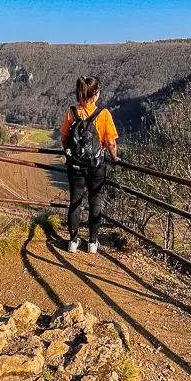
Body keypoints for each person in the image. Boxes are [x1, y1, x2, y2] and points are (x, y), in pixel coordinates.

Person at [59, 76, 119, 254]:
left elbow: (64, 138)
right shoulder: (104, 114)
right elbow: (110, 143)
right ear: (95, 94)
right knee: (95, 202)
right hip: (96, 165)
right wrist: (115, 157)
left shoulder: (72, 112)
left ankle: (73, 241)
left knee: (75, 202)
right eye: (98, 90)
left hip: (76, 166)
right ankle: (92, 243)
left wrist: (70, 155)